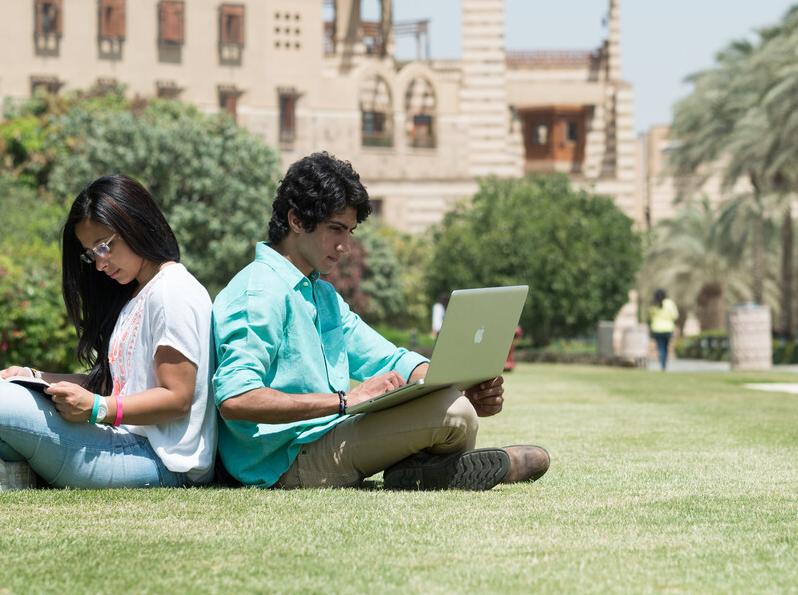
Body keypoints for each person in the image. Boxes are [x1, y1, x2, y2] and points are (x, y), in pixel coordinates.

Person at [212, 152, 551, 491]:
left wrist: (455, 384)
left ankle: (424, 468)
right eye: (336, 229)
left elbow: (390, 360)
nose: (346, 246)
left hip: (327, 434)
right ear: (297, 221)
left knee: (457, 407)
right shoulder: (259, 292)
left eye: (350, 231)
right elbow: (236, 399)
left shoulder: (320, 294)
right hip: (282, 462)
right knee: (456, 415)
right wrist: (345, 400)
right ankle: (432, 467)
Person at [0, 175, 215, 492]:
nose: (100, 263)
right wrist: (34, 376)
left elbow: (177, 398)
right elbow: (115, 383)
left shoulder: (172, 291)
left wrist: (97, 409)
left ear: (137, 223)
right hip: (122, 439)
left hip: (158, 459)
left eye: (105, 246)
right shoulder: (137, 294)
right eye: (91, 253)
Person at [649, 287, 679, 370]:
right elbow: (675, 315)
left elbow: (650, 316)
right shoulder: (669, 303)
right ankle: (664, 363)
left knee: (660, 347)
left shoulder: (654, 304)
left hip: (657, 329)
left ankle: (662, 363)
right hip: (668, 329)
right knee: (665, 347)